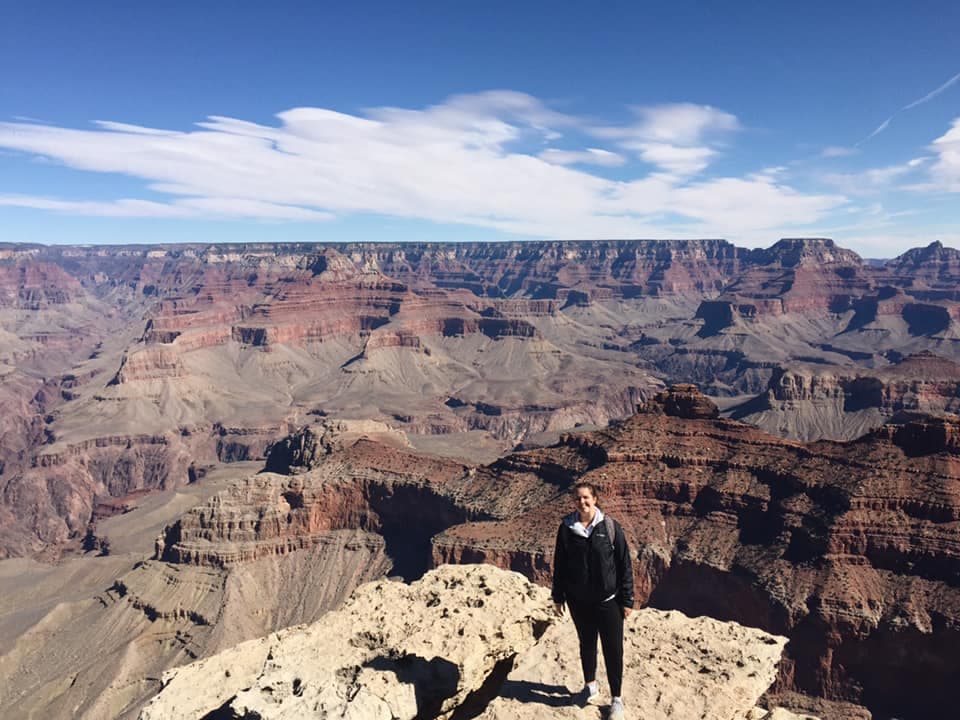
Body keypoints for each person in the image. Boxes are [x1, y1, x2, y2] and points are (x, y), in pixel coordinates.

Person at [552, 481, 634, 720]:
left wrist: (627, 599)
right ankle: (590, 687)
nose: (582, 502)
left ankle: (616, 699)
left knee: (613, 649)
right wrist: (557, 596)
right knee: (586, 644)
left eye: (586, 498)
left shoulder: (610, 527)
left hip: (608, 601)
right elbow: (560, 564)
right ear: (573, 501)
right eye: (578, 498)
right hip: (578, 601)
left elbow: (624, 564)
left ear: (595, 499)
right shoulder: (567, 529)